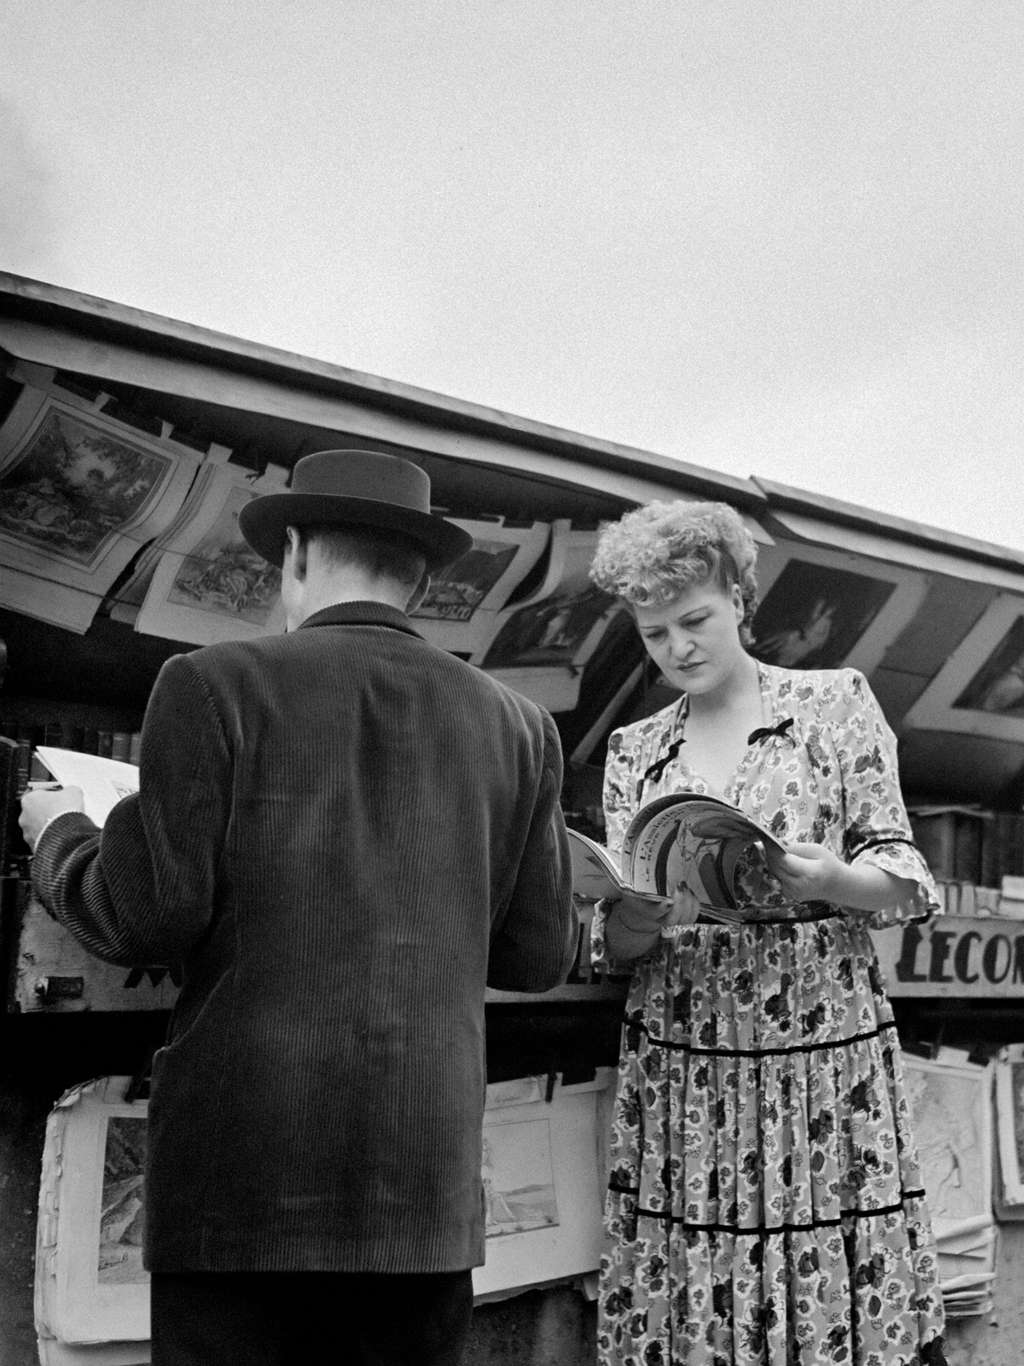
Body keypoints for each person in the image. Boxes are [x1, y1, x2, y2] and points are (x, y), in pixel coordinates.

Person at [21, 448, 577, 1366]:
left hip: (242, 1190)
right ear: (420, 576)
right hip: (422, 1197)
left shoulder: (210, 684)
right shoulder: (520, 726)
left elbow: (146, 917)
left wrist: (60, 833)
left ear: (297, 554)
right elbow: (534, 956)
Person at [586, 500, 946, 1366]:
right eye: (655, 633)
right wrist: (631, 918)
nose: (679, 648)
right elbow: (619, 946)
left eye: (695, 619)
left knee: (830, 1275)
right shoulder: (636, 750)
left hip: (819, 1054)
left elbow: (901, 867)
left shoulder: (833, 705)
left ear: (741, 598)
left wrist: (829, 879)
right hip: (687, 1060)